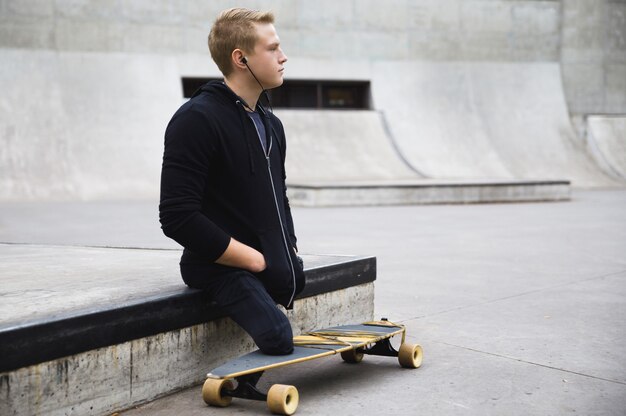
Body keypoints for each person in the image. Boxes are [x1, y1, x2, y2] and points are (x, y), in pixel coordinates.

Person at [159, 8, 305, 355]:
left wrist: (290, 249)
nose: (283, 57)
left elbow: (278, 197)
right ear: (240, 58)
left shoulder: (271, 124)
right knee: (278, 336)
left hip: (265, 258)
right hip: (217, 265)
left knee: (292, 287)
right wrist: (253, 260)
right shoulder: (196, 119)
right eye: (272, 49)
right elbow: (177, 215)